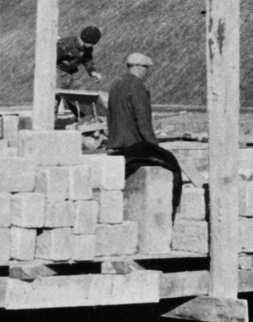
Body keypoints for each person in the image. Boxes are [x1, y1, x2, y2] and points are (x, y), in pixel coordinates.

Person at [106, 52, 183, 216]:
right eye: (146, 69)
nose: (146, 72)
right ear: (140, 68)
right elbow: (143, 119)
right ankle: (173, 209)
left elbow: (110, 116)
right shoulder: (137, 86)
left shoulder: (116, 85)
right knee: (172, 165)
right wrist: (154, 145)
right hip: (133, 146)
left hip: (115, 145)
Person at [55, 25, 103, 122]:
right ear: (88, 40)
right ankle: (49, 124)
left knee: (79, 95)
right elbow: (49, 58)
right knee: (54, 98)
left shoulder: (88, 48)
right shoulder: (64, 45)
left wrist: (92, 71)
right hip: (57, 71)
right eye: (92, 43)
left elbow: (87, 59)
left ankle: (83, 120)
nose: (93, 46)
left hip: (73, 71)